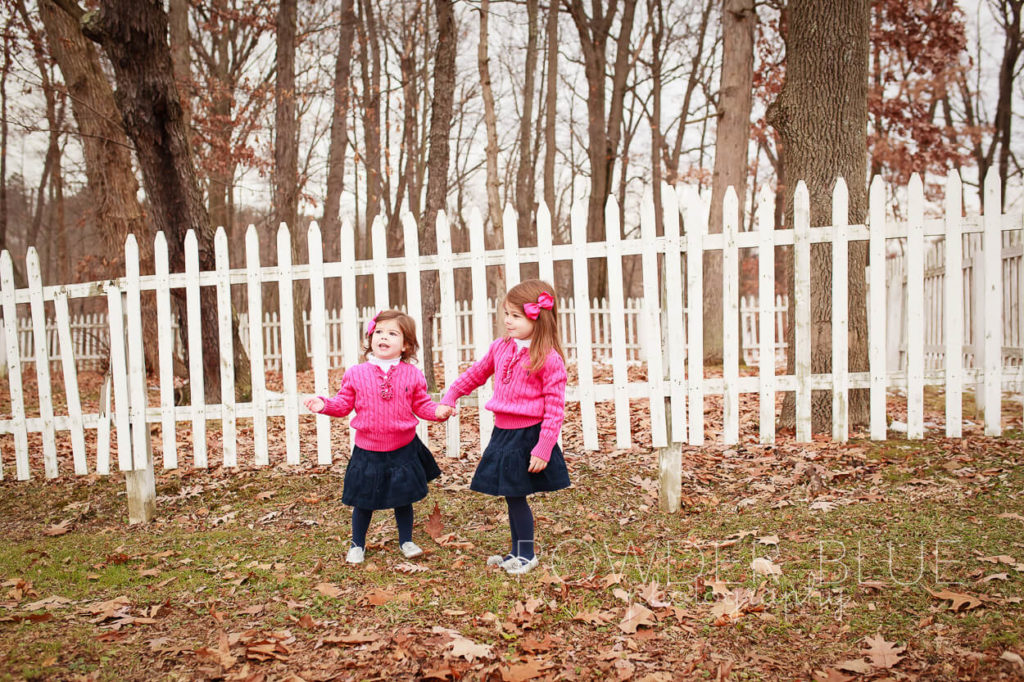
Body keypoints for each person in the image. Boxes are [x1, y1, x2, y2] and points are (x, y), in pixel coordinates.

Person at [440, 280, 570, 575]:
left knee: (516, 495)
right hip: (504, 433)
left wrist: (544, 446)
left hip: (529, 436)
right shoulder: (500, 347)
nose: (507, 321)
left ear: (537, 318)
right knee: (512, 495)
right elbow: (476, 374)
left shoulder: (548, 358)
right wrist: (451, 394)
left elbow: (555, 407)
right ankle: (515, 551)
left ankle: (527, 554)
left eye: (515, 316)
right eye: (506, 314)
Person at [304, 310, 454, 564]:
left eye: (392, 333)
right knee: (364, 500)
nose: (383, 337)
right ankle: (357, 544)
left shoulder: (412, 374)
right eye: (379, 332)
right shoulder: (356, 373)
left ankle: (406, 540)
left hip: (403, 448)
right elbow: (342, 403)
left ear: (405, 344)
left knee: (403, 497)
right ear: (371, 338)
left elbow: (422, 405)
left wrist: (439, 411)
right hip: (368, 449)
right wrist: (324, 404)